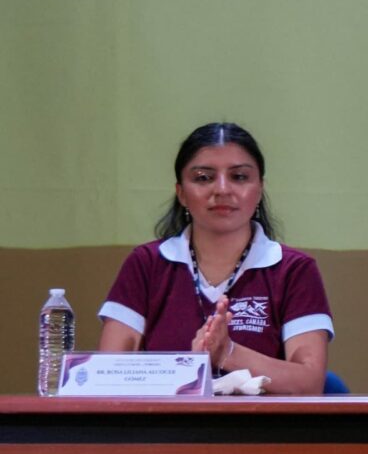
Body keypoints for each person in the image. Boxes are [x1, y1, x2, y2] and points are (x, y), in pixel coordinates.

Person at [98, 122, 333, 394]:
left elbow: (309, 383)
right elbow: (107, 375)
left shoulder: (294, 270)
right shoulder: (147, 264)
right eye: (203, 178)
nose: (222, 189)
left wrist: (228, 352)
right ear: (181, 193)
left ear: (259, 189)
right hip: (165, 420)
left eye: (239, 177)